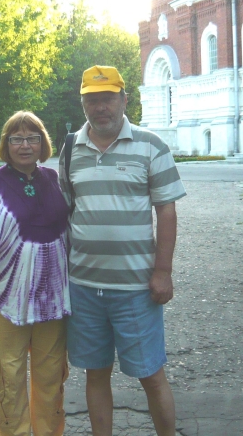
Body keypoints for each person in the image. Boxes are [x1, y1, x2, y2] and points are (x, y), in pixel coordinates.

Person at [59, 65, 187, 436]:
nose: (100, 107)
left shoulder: (151, 145)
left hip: (136, 289)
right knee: (95, 374)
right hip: (83, 287)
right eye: (92, 100)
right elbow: (65, 212)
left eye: (108, 98)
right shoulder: (70, 149)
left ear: (124, 99)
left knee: (152, 376)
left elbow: (166, 211)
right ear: (83, 104)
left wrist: (163, 272)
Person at [0, 111, 71, 436]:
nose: (25, 145)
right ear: (6, 144)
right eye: (17, 139)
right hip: (5, 300)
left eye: (32, 138)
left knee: (51, 378)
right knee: (8, 380)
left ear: (43, 144)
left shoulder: (54, 180)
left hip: (51, 302)